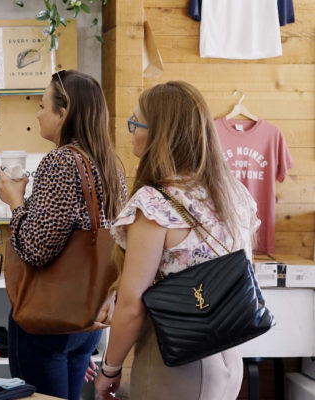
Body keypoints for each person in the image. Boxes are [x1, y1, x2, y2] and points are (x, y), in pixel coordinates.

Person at [94, 81, 260, 400]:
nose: (131, 132)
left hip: (176, 361)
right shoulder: (232, 193)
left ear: (159, 133)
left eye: (135, 122)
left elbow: (132, 307)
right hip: (229, 357)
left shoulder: (155, 205)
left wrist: (109, 369)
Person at [0, 69, 127, 400]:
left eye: (43, 106)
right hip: (86, 316)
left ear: (63, 112)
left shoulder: (60, 162)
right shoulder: (111, 163)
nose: (38, 114)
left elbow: (36, 248)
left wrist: (14, 202)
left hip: (47, 317)